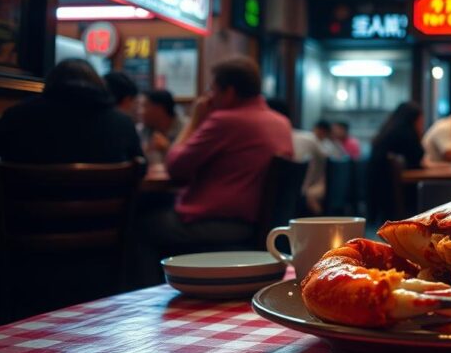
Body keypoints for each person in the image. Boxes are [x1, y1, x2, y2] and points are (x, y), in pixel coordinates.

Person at [139, 56, 293, 273]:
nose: (209, 97)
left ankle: (145, 299)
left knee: (141, 224)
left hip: (219, 222)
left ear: (229, 92)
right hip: (257, 223)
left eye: (212, 90)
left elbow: (175, 165)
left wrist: (194, 120)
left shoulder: (225, 120)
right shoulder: (281, 122)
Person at [0, 59, 143, 165]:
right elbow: (139, 167)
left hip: (24, 215)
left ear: (50, 83)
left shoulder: (17, 115)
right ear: (100, 85)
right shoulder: (121, 123)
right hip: (103, 216)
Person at [266, 98, 328, 214]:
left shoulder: (266, 141)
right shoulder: (309, 138)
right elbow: (327, 163)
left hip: (276, 206)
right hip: (299, 201)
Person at [366, 102, 425, 223]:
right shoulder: (405, 133)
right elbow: (417, 157)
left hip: (380, 188)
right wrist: (418, 133)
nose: (422, 122)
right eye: (420, 119)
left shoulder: (389, 129)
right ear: (413, 118)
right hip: (393, 191)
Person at [138, 90, 186, 165]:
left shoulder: (186, 128)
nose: (140, 112)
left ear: (159, 109)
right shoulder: (141, 130)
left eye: (145, 106)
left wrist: (167, 148)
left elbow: (190, 162)